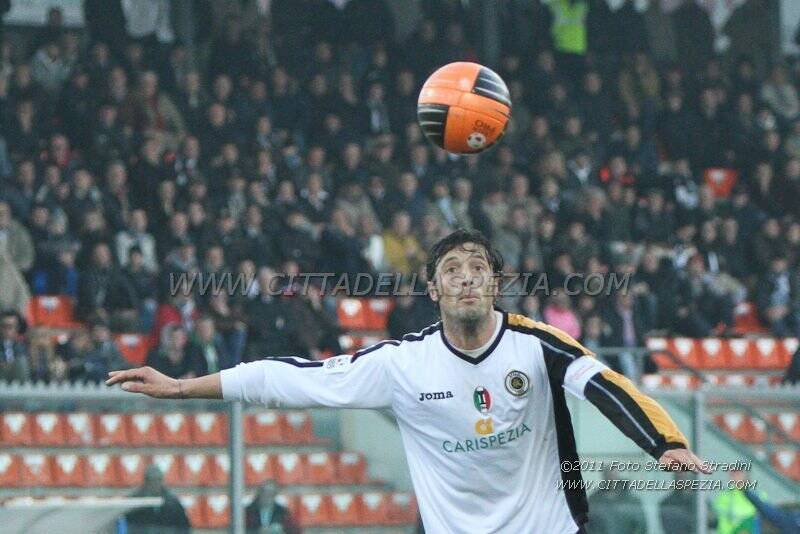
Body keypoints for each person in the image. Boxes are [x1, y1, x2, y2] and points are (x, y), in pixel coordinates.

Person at [108, 229, 710, 533]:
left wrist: (666, 445)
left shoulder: (537, 344)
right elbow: (292, 379)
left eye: (479, 268)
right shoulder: (403, 364)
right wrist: (184, 386)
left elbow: (606, 385)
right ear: (434, 289)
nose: (468, 278)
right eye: (453, 269)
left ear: (495, 284)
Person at [125, 464, 190, 534]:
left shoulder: (173, 503)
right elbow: (128, 525)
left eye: (158, 480)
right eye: (152, 480)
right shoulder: (134, 502)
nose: (155, 484)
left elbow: (183, 527)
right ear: (146, 482)